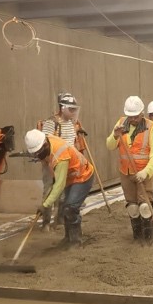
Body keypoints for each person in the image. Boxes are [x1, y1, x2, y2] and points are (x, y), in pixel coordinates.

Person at [25, 129, 94, 247]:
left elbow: (59, 184)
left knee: (70, 207)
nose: (38, 156)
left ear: (44, 145)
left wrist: (45, 205)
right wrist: (46, 201)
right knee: (65, 206)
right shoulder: (47, 144)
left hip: (83, 176)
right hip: (71, 179)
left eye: (38, 153)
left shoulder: (59, 154)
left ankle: (76, 241)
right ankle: (68, 238)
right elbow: (54, 180)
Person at [106, 96, 153, 242]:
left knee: (145, 206)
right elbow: (110, 145)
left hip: (144, 173)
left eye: (136, 116)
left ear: (142, 114)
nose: (133, 119)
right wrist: (115, 135)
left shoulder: (152, 128)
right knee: (132, 207)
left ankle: (148, 238)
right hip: (126, 172)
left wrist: (146, 172)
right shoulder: (120, 124)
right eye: (130, 116)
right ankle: (137, 237)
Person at [38, 93, 87, 231]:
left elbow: (71, 144)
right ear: (62, 108)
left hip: (66, 162)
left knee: (63, 193)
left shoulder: (71, 124)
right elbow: (45, 143)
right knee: (49, 191)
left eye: (74, 110)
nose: (72, 112)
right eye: (70, 109)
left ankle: (59, 220)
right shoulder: (51, 122)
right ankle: (46, 222)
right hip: (51, 163)